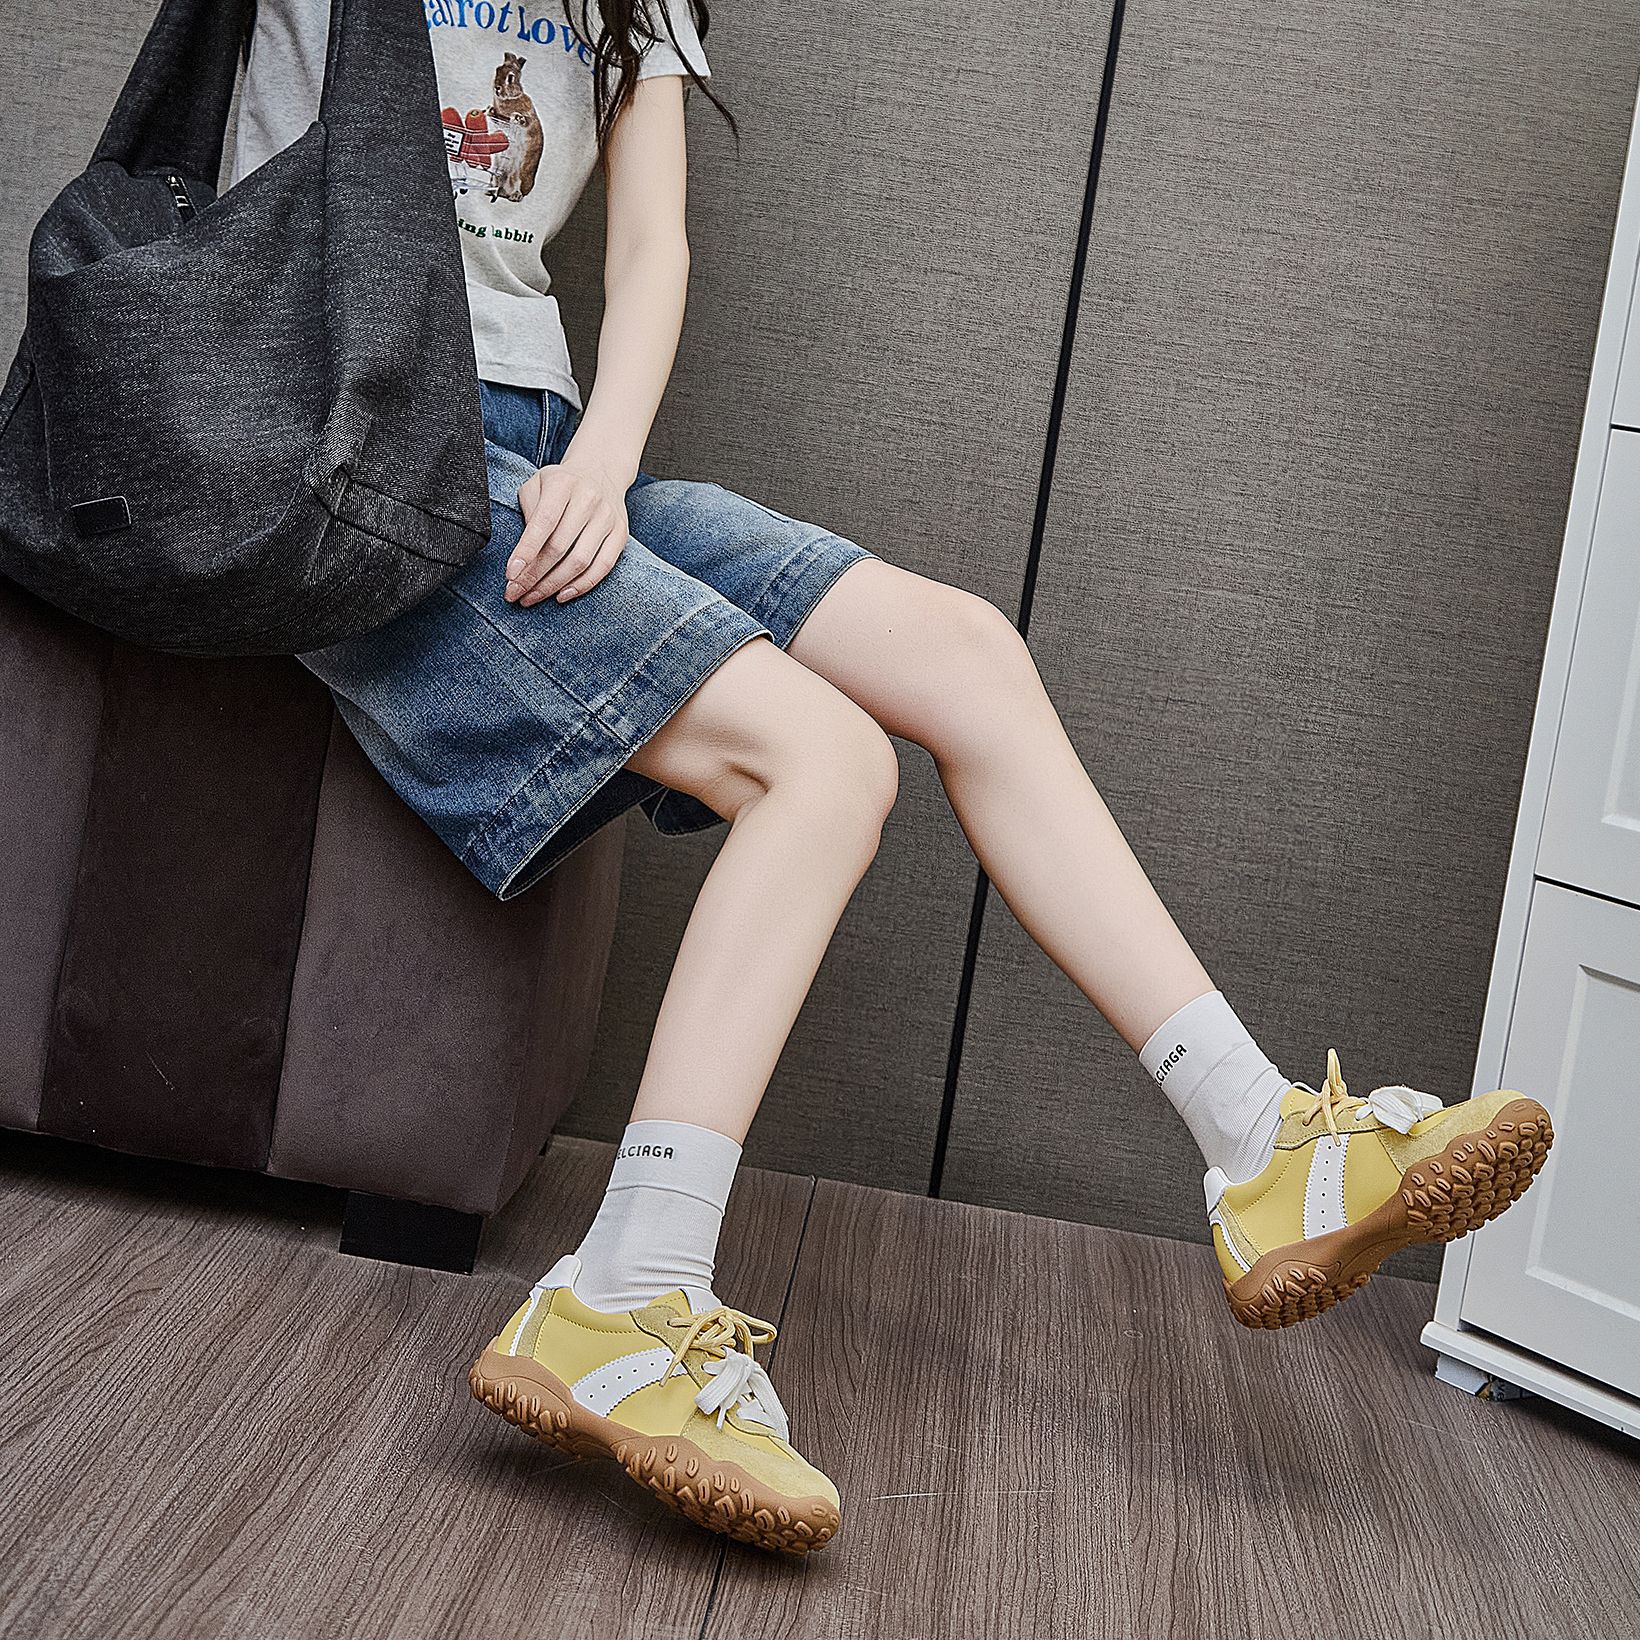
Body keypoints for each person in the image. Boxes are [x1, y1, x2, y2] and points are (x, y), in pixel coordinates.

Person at [230, 0, 1554, 1556]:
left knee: (966, 654)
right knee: (826, 763)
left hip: (549, 459)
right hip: (351, 454)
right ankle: (623, 1298)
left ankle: (1265, 1148)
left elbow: (651, 252)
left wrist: (602, 465)